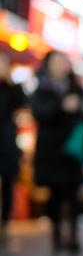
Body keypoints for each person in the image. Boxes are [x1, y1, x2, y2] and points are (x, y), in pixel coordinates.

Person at [30, 51, 83, 253]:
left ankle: (74, 233)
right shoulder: (43, 88)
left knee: (73, 193)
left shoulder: (75, 87)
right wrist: (62, 106)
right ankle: (56, 234)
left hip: (72, 150)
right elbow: (39, 112)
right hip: (51, 151)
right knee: (55, 194)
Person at [0, 56, 25, 241]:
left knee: (7, 181)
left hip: (7, 140)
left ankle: (4, 222)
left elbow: (23, 106)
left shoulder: (12, 89)